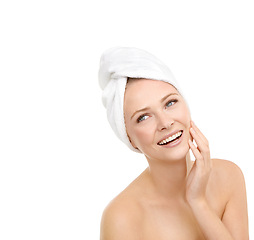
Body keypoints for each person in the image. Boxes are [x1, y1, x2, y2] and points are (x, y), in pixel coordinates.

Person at [98, 47, 249, 239]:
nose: (165, 123)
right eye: (144, 117)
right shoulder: (122, 217)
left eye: (170, 103)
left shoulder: (228, 177)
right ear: (129, 138)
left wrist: (199, 203)